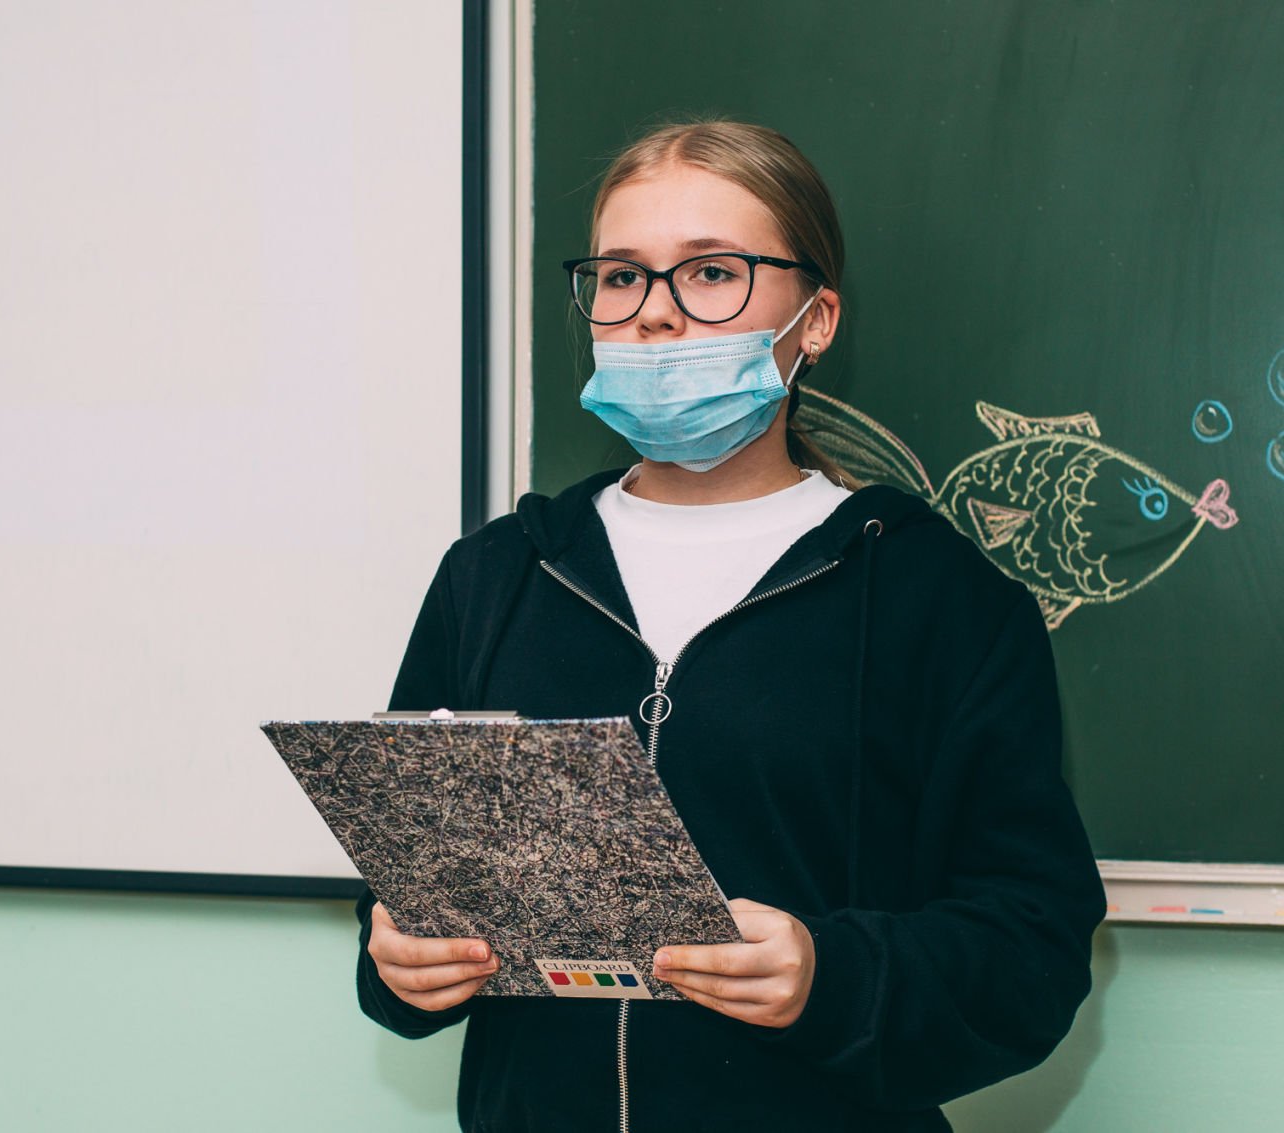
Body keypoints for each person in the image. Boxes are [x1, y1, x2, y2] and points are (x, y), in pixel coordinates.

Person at [353, 119, 1106, 1132]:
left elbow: (1031, 945)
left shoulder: (940, 599)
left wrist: (831, 974)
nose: (655, 312)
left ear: (815, 318)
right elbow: (406, 894)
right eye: (622, 277)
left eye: (711, 272)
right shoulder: (494, 578)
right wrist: (398, 961)